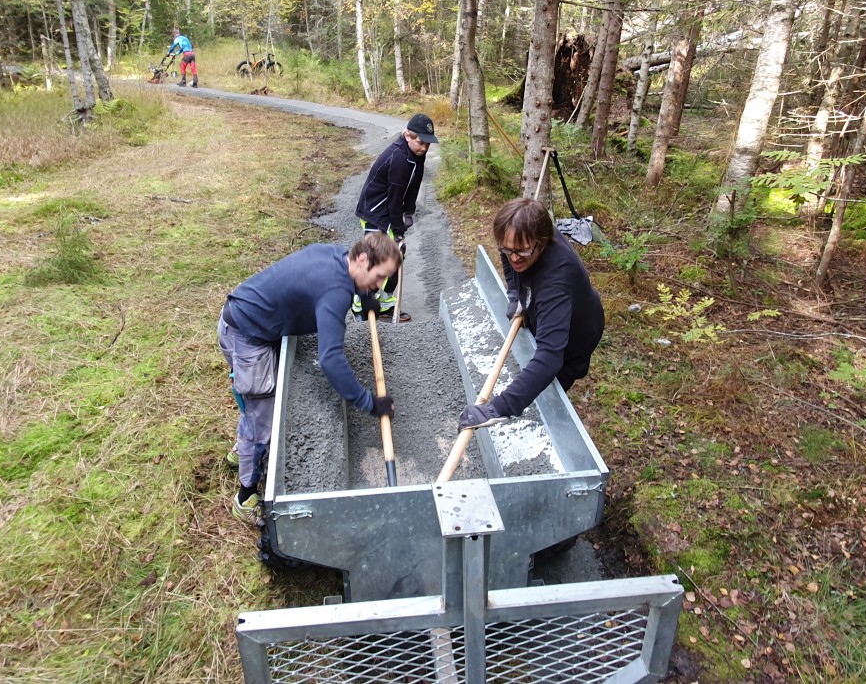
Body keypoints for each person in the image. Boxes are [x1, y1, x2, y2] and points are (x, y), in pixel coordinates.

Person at [219, 234, 401, 524]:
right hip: (245, 335)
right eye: (379, 278)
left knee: (259, 408)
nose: (379, 286)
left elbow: (353, 282)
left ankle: (243, 449)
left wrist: (367, 299)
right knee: (263, 420)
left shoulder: (338, 256)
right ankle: (245, 497)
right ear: (363, 260)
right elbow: (330, 358)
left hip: (252, 317)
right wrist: (369, 402)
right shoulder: (334, 291)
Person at [459, 198, 605, 429]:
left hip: (577, 334)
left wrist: (498, 408)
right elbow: (509, 255)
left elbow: (549, 358)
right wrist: (515, 293)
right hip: (550, 304)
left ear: (543, 240)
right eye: (508, 250)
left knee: (552, 386)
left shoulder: (554, 283)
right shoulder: (522, 238)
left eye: (522, 252)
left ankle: (551, 424)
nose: (514, 258)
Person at [352, 114, 438, 321]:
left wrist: (408, 212)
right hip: (375, 211)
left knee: (397, 255)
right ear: (408, 135)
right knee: (376, 257)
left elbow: (414, 185)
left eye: (428, 144)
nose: (424, 148)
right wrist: (398, 231)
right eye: (421, 142)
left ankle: (386, 303)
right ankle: (361, 304)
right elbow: (394, 197)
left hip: (390, 210)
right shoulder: (398, 158)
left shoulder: (416, 153)